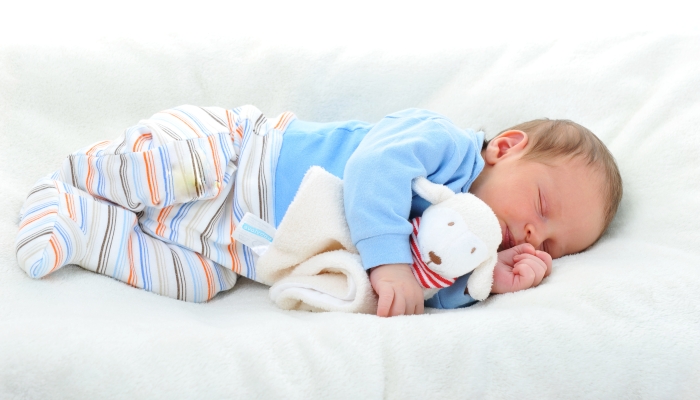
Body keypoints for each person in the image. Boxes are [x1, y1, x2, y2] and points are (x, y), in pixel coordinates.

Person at [15, 105, 622, 317]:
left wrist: (488, 284)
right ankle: (79, 174)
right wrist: (387, 261)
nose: (535, 233)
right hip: (240, 157)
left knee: (201, 282)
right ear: (507, 147)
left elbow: (413, 293)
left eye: (552, 246)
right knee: (174, 173)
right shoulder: (443, 147)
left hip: (241, 243)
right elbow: (371, 172)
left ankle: (78, 224)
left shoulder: (460, 254)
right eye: (542, 203)